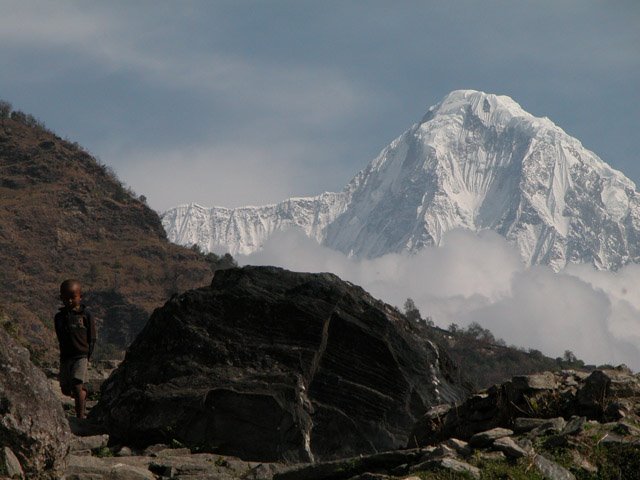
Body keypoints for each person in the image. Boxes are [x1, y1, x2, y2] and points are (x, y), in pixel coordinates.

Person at [54, 279, 96, 419]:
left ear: (80, 297)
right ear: (61, 298)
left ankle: (80, 417)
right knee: (66, 389)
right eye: (66, 298)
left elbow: (92, 337)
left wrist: (87, 355)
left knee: (77, 385)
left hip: (81, 356)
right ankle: (82, 395)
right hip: (66, 357)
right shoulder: (59, 317)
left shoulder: (86, 315)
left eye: (73, 297)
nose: (70, 301)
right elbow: (60, 337)